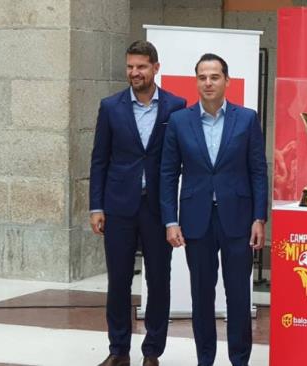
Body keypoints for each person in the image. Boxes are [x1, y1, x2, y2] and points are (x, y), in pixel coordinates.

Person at [159, 53, 268, 366]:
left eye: (214, 77)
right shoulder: (180, 121)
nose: (208, 82)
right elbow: (168, 173)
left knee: (238, 297)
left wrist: (259, 217)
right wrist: (170, 220)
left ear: (226, 81)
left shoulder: (246, 119)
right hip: (196, 221)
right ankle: (204, 359)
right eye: (202, 77)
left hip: (239, 221)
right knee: (201, 296)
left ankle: (239, 360)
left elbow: (258, 171)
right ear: (197, 81)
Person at [89, 40, 187, 366]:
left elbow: (182, 159)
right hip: (118, 207)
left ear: (156, 68)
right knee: (118, 280)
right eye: (130, 66)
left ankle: (152, 353)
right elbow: (99, 160)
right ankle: (118, 351)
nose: (135, 73)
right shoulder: (111, 107)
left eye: (141, 67)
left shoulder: (176, 106)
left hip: (158, 209)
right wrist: (96, 206)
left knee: (159, 280)